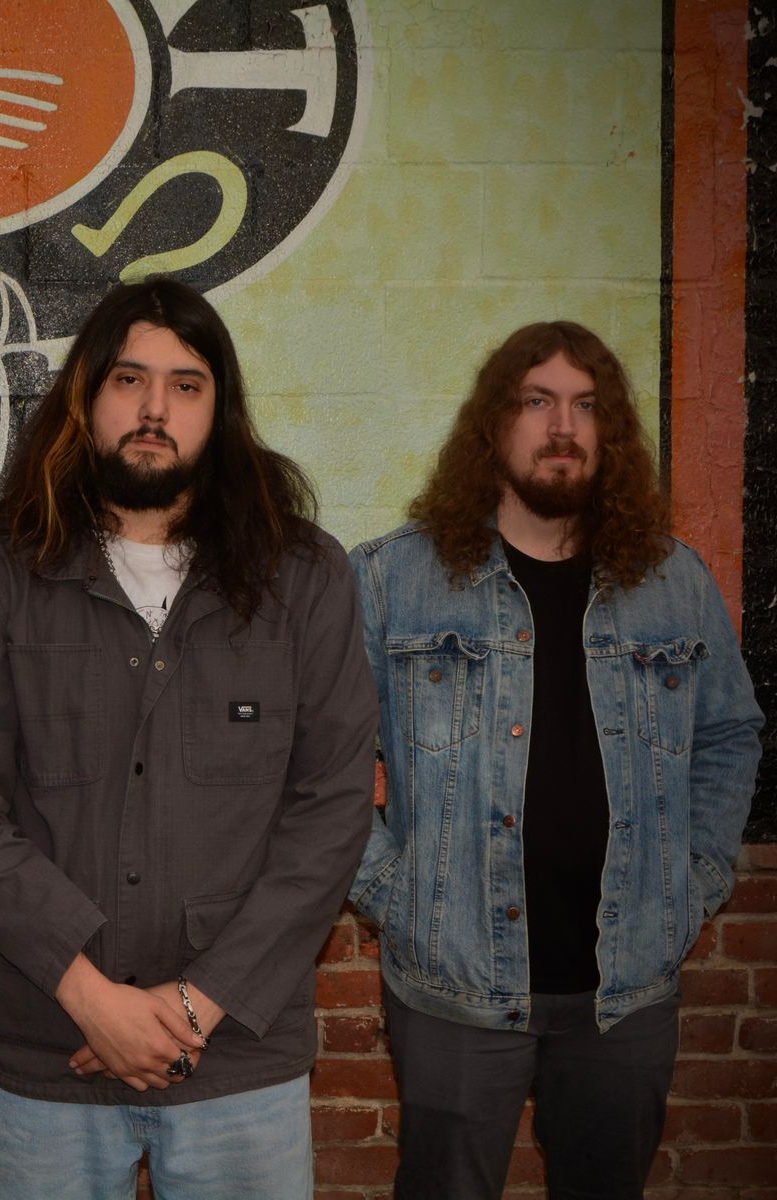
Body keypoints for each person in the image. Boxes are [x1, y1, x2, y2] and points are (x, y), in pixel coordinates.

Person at [0, 278, 378, 1199]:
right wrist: (93, 1000)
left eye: (185, 385)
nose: (154, 408)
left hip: (240, 1057)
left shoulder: (303, 578)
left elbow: (329, 816)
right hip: (49, 1049)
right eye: (129, 379)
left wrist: (196, 1006)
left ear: (220, 410)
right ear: (85, 397)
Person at [347, 320, 764, 1199]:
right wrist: (392, 890)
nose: (563, 426)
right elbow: (320, 755)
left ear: (610, 432)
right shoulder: (392, 580)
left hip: (627, 990)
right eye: (537, 401)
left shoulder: (675, 582)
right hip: (454, 986)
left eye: (586, 405)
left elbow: (730, 735)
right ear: (493, 424)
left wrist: (694, 879)